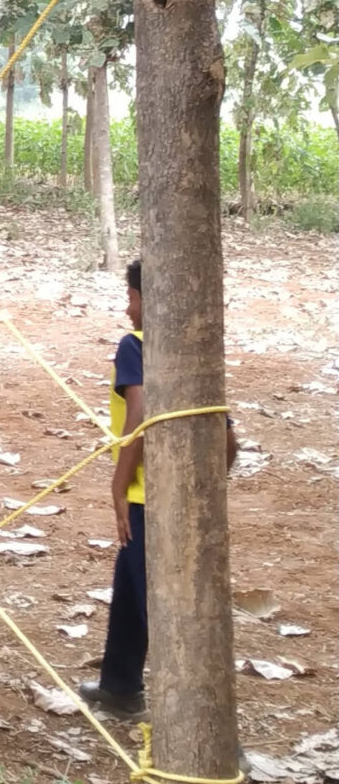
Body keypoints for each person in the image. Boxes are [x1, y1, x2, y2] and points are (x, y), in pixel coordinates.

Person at [79, 259, 237, 721]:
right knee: (131, 588)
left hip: (147, 501)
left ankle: (201, 726)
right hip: (188, 502)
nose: (128, 310)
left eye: (131, 298)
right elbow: (229, 438)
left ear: (150, 300)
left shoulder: (135, 345)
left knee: (157, 604)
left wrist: (119, 485)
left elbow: (140, 415)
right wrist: (208, 491)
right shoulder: (195, 356)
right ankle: (119, 686)